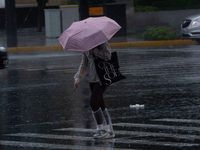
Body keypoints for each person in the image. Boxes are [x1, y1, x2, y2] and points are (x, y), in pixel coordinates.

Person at [74, 42, 115, 139]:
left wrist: (95, 50)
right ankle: (109, 130)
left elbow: (108, 56)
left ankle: (100, 129)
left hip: (103, 77)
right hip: (92, 78)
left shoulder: (102, 42)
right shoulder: (85, 46)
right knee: (101, 104)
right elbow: (84, 63)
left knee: (93, 103)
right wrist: (78, 78)